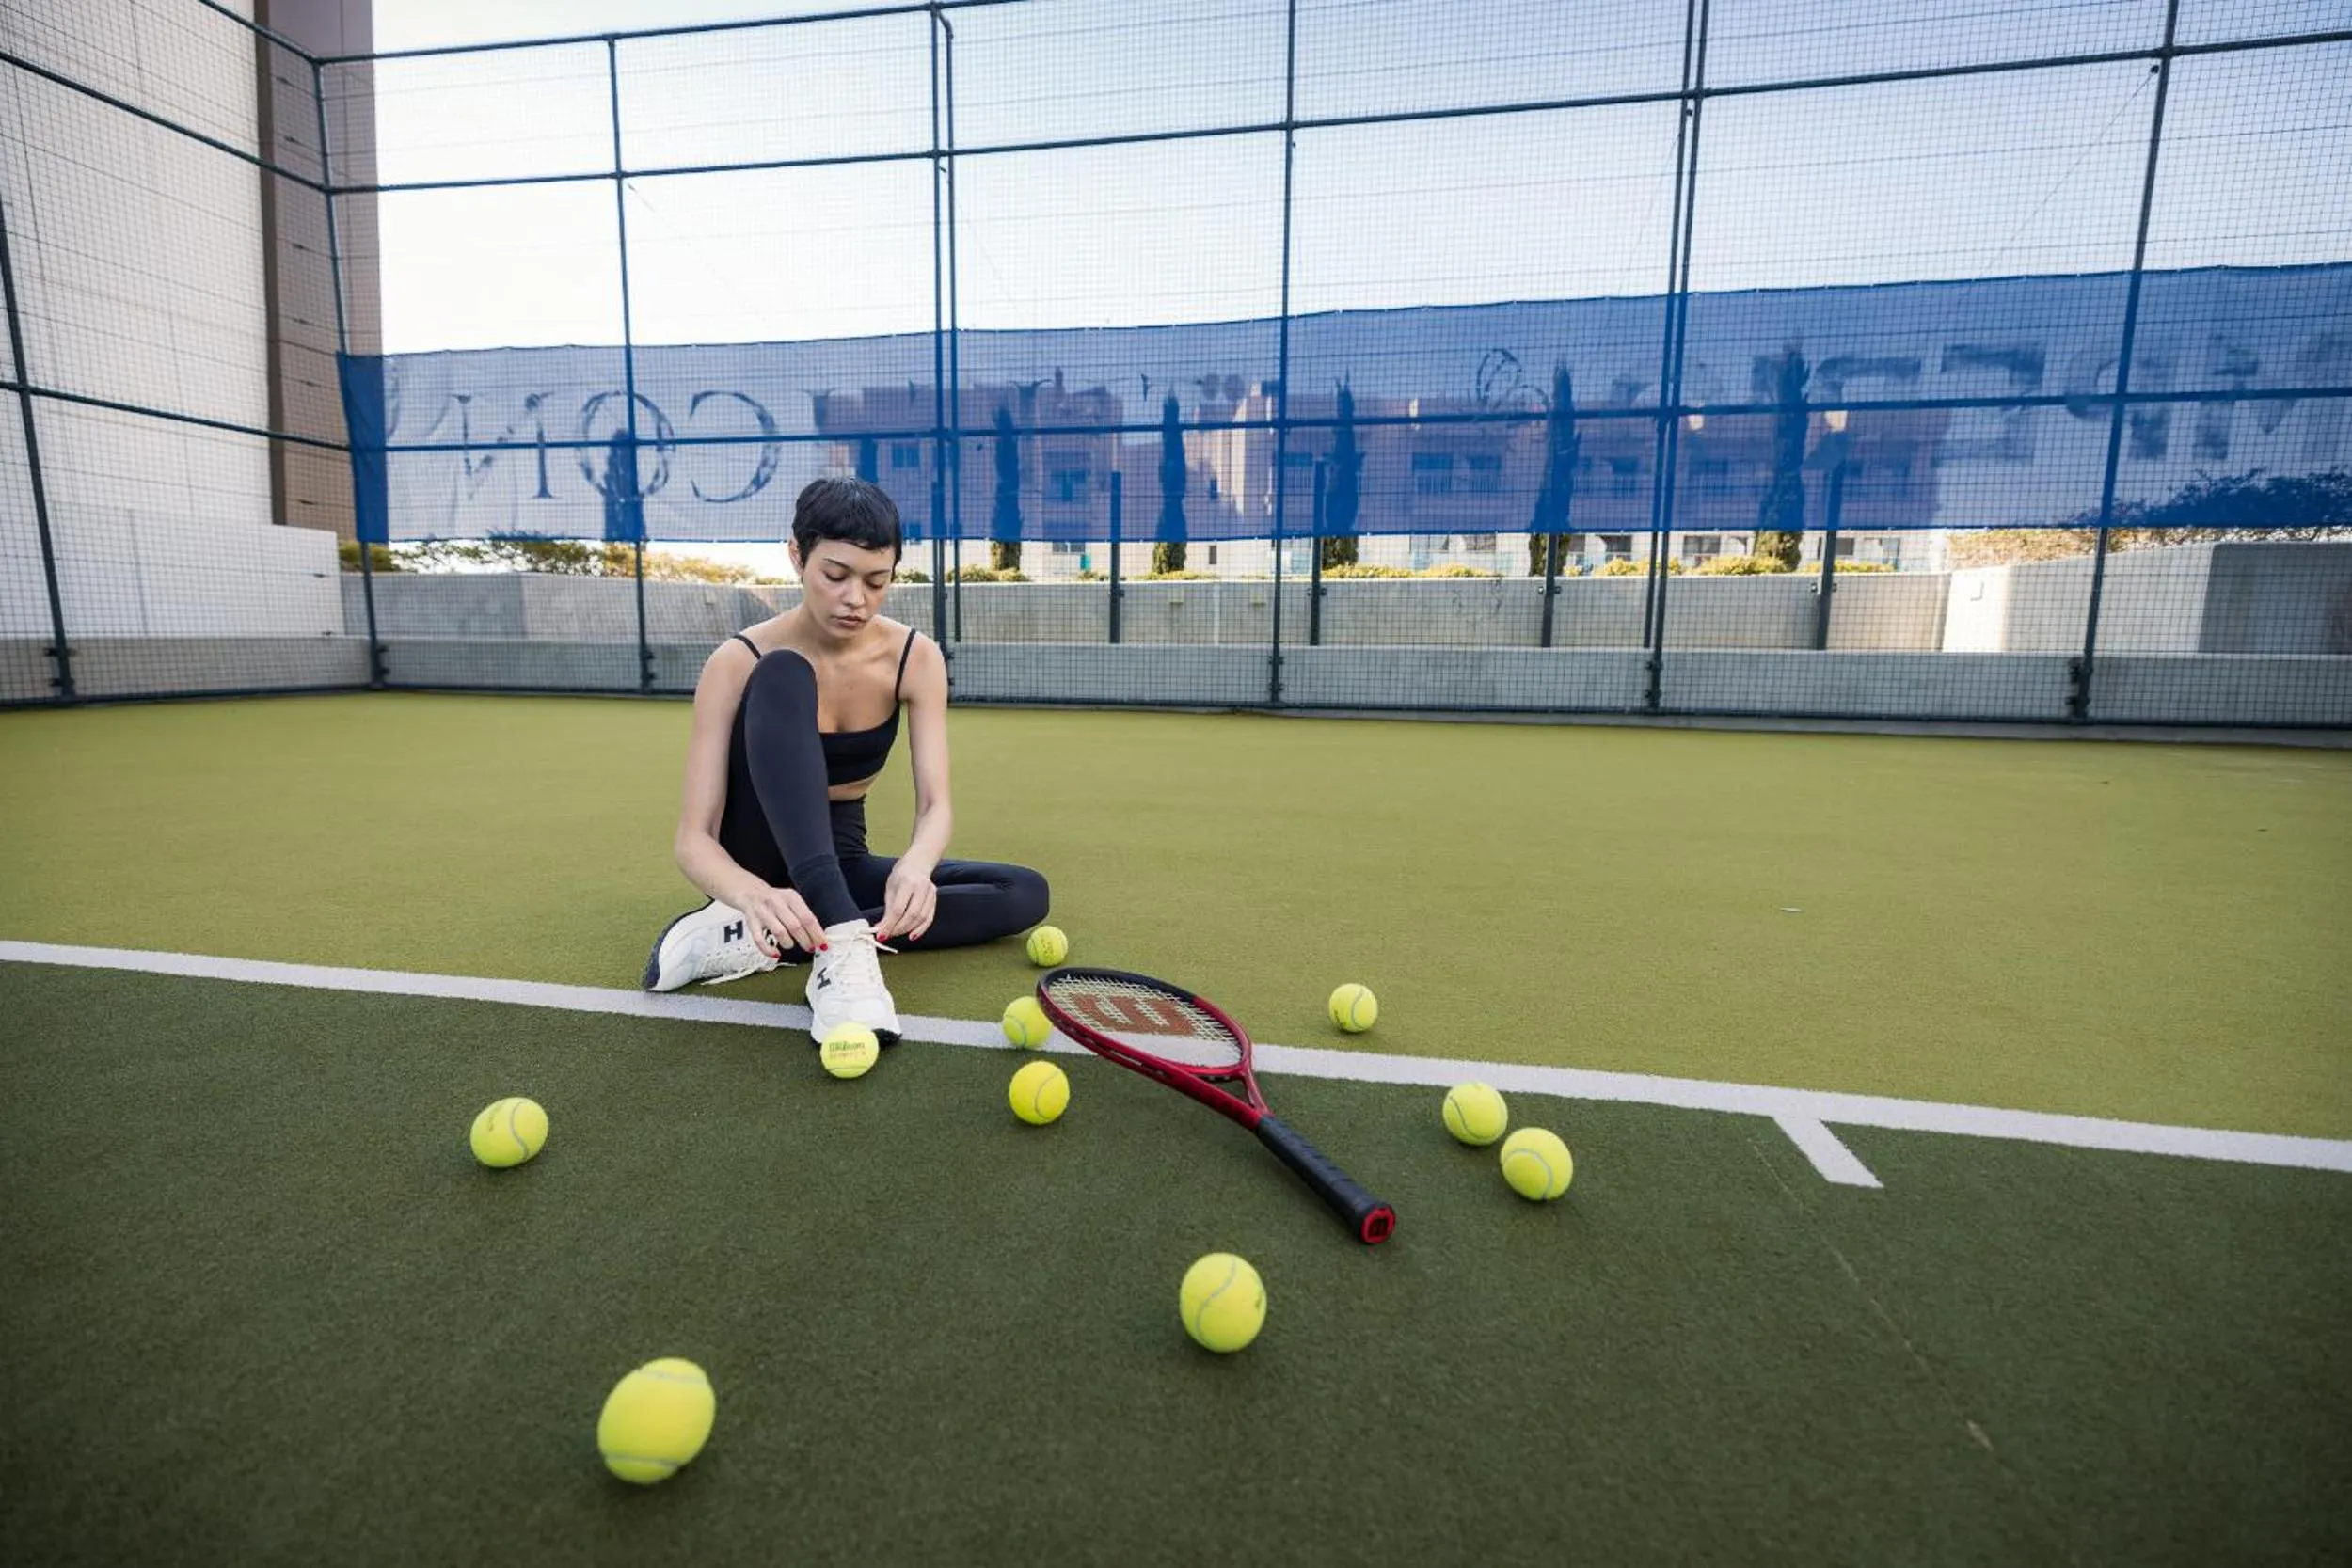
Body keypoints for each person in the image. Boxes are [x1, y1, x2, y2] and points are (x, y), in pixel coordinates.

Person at [643, 477, 1049, 1042]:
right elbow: (694, 839)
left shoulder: (915, 657)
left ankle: (773, 936)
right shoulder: (738, 660)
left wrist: (915, 866)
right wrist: (749, 892)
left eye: (876, 581)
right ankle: (836, 942)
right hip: (757, 858)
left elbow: (936, 804)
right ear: (796, 557)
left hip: (842, 857)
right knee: (784, 672)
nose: (855, 598)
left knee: (1023, 893)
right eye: (835, 576)